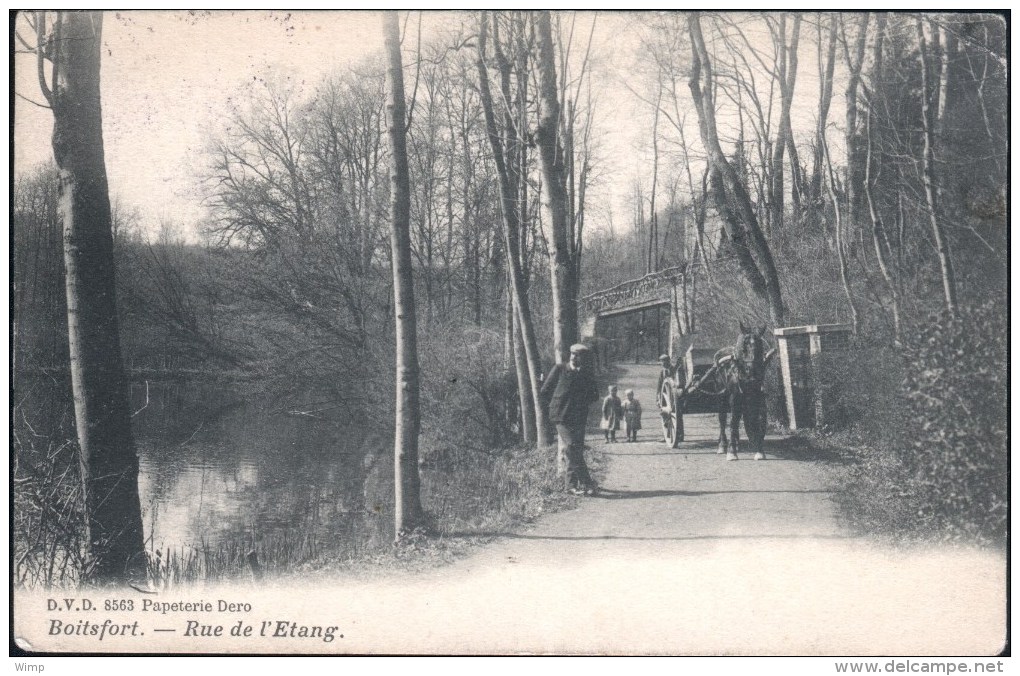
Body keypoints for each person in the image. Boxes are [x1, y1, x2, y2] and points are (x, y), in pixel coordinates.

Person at [541, 343, 599, 495]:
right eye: (573, 354)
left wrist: (581, 401)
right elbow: (545, 390)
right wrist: (556, 405)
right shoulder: (560, 369)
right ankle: (588, 483)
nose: (574, 357)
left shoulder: (586, 374)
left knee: (575, 450)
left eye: (578, 355)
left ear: (583, 358)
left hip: (579, 417)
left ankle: (570, 485)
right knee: (572, 446)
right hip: (561, 416)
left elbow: (594, 395)